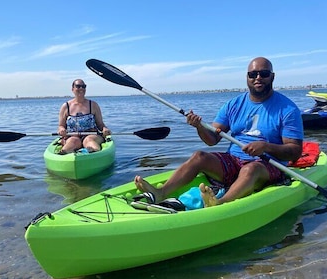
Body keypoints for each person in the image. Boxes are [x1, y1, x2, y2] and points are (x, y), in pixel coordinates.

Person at [134, 57, 304, 207]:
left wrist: (266, 147)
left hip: (267, 166)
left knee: (250, 169)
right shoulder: (233, 104)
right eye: (253, 74)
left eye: (263, 73)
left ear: (272, 77)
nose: (258, 77)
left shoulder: (287, 109)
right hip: (234, 161)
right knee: (199, 156)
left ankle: (220, 203)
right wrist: (199, 127)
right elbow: (212, 140)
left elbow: (294, 152)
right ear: (247, 78)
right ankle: (161, 192)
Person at [57, 79, 111, 154]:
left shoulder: (93, 105)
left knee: (88, 140)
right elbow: (61, 126)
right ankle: (65, 152)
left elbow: (100, 124)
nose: (81, 88)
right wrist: (62, 130)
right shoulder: (66, 106)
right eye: (78, 86)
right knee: (73, 141)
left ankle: (94, 152)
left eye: (83, 86)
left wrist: (105, 129)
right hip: (73, 136)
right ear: (72, 89)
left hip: (92, 135)